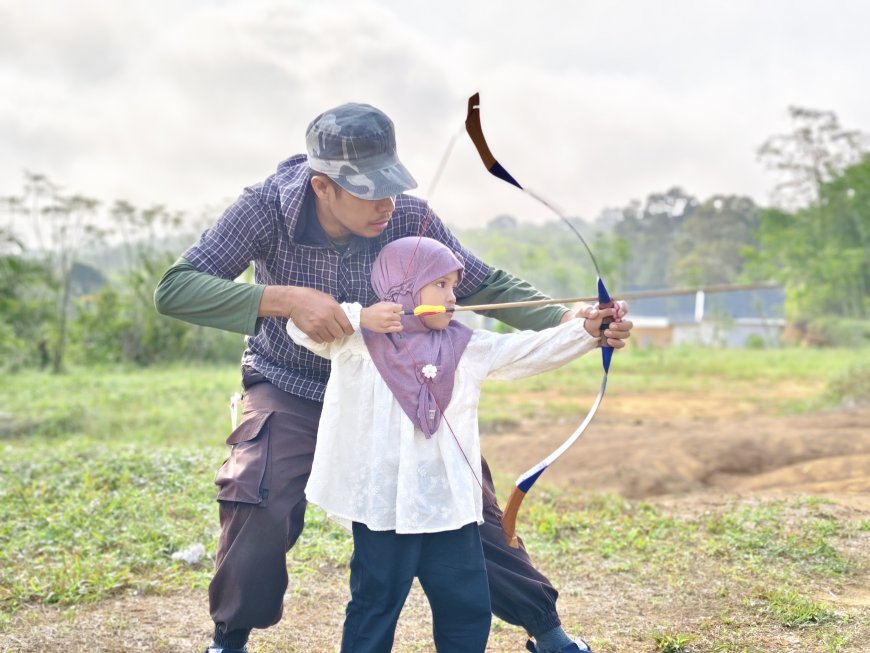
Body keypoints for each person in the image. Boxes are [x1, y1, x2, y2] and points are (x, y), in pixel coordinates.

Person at [154, 101, 633, 653]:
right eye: (367, 190)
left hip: (401, 394)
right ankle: (229, 638)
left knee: (461, 504)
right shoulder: (264, 209)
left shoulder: (408, 216)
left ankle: (547, 632)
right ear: (322, 187)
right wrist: (284, 300)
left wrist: (571, 322)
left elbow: (481, 284)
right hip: (290, 384)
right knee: (257, 490)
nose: (386, 203)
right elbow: (176, 288)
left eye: (391, 184)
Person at [286, 236, 610, 652]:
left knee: (467, 605)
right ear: (403, 286)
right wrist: (360, 316)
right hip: (383, 508)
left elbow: (529, 349)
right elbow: (301, 328)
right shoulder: (356, 343)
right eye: (440, 285)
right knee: (374, 603)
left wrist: (587, 331)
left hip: (448, 508)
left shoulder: (467, 345)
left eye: (454, 286)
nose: (452, 297)